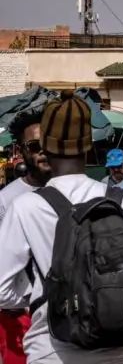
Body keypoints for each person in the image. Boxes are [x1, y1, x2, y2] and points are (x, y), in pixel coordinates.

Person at [0, 90, 123, 364]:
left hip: (53, 352)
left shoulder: (26, 207)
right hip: (121, 353)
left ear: (46, 147)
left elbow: (2, 290)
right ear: (90, 145)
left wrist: (48, 290)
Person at [0, 108, 52, 364]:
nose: (43, 151)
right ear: (22, 150)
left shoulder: (74, 191)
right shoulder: (7, 199)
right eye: (34, 145)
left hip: (71, 311)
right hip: (21, 312)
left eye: (48, 143)